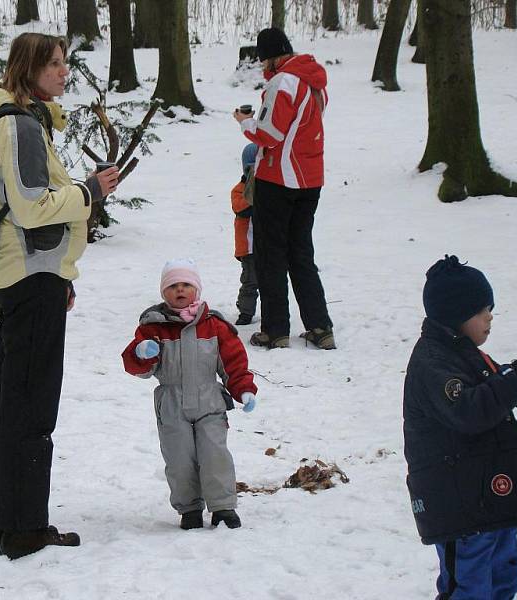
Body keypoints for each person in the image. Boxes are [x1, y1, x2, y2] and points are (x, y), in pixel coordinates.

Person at [0, 32, 119, 560]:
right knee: (30, 406)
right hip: (30, 281)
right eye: (54, 64)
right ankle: (25, 528)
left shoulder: (18, 122)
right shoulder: (19, 126)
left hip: (28, 276)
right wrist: (89, 191)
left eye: (65, 64)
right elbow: (32, 206)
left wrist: (63, 273)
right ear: (28, 68)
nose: (63, 73)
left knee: (9, 400)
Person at [403, 255, 517, 599]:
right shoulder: (432, 362)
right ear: (455, 315)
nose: (489, 317)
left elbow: (494, 422)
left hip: (489, 500)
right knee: (469, 587)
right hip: (460, 506)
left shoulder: (466, 354)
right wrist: (515, 378)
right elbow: (470, 412)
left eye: (490, 308)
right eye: (480, 310)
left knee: (503, 578)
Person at [122, 259, 258, 530]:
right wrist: (142, 352)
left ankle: (222, 507)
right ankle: (190, 509)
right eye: (173, 286)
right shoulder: (153, 327)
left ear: (197, 290)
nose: (180, 290)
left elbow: (233, 362)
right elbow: (136, 366)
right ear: (164, 293)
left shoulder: (214, 325)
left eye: (186, 285)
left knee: (214, 454)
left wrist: (243, 389)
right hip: (172, 404)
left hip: (209, 401)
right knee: (179, 458)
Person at [233, 27, 334, 350]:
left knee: (270, 255)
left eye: (264, 61)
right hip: (310, 178)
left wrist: (245, 122)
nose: (263, 68)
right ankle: (320, 326)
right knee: (301, 252)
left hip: (278, 179)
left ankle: (275, 330)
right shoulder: (315, 80)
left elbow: (270, 134)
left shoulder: (283, 82)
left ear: (273, 57)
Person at [231, 143, 260, 326]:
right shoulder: (239, 189)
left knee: (271, 281)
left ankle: (273, 312)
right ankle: (246, 312)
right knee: (250, 281)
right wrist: (254, 190)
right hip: (248, 248)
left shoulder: (272, 189)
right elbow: (240, 208)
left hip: (268, 244)